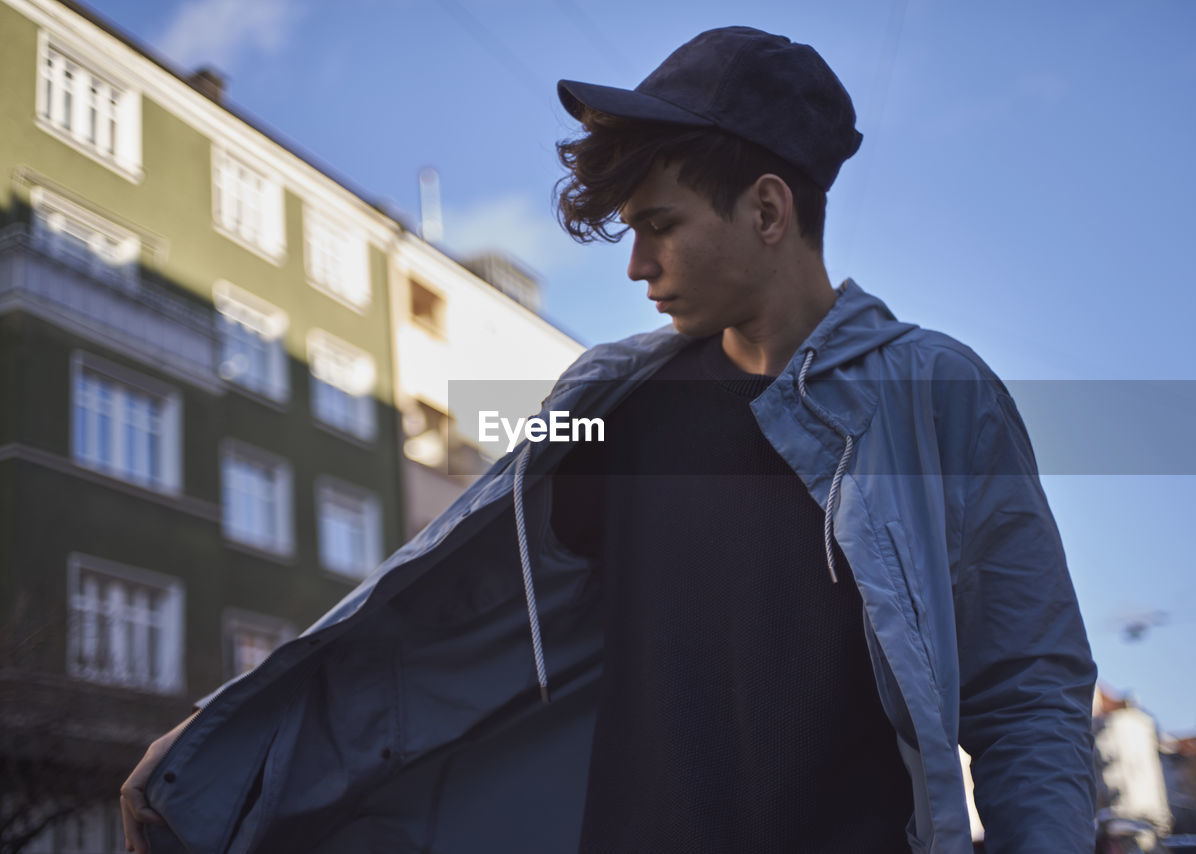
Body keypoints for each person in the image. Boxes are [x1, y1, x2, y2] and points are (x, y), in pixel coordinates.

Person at [121, 26, 1097, 854]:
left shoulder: (933, 394)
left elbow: (1023, 687)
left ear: (766, 209)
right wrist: (224, 745)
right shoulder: (610, 406)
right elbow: (429, 629)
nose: (635, 264)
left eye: (659, 226)